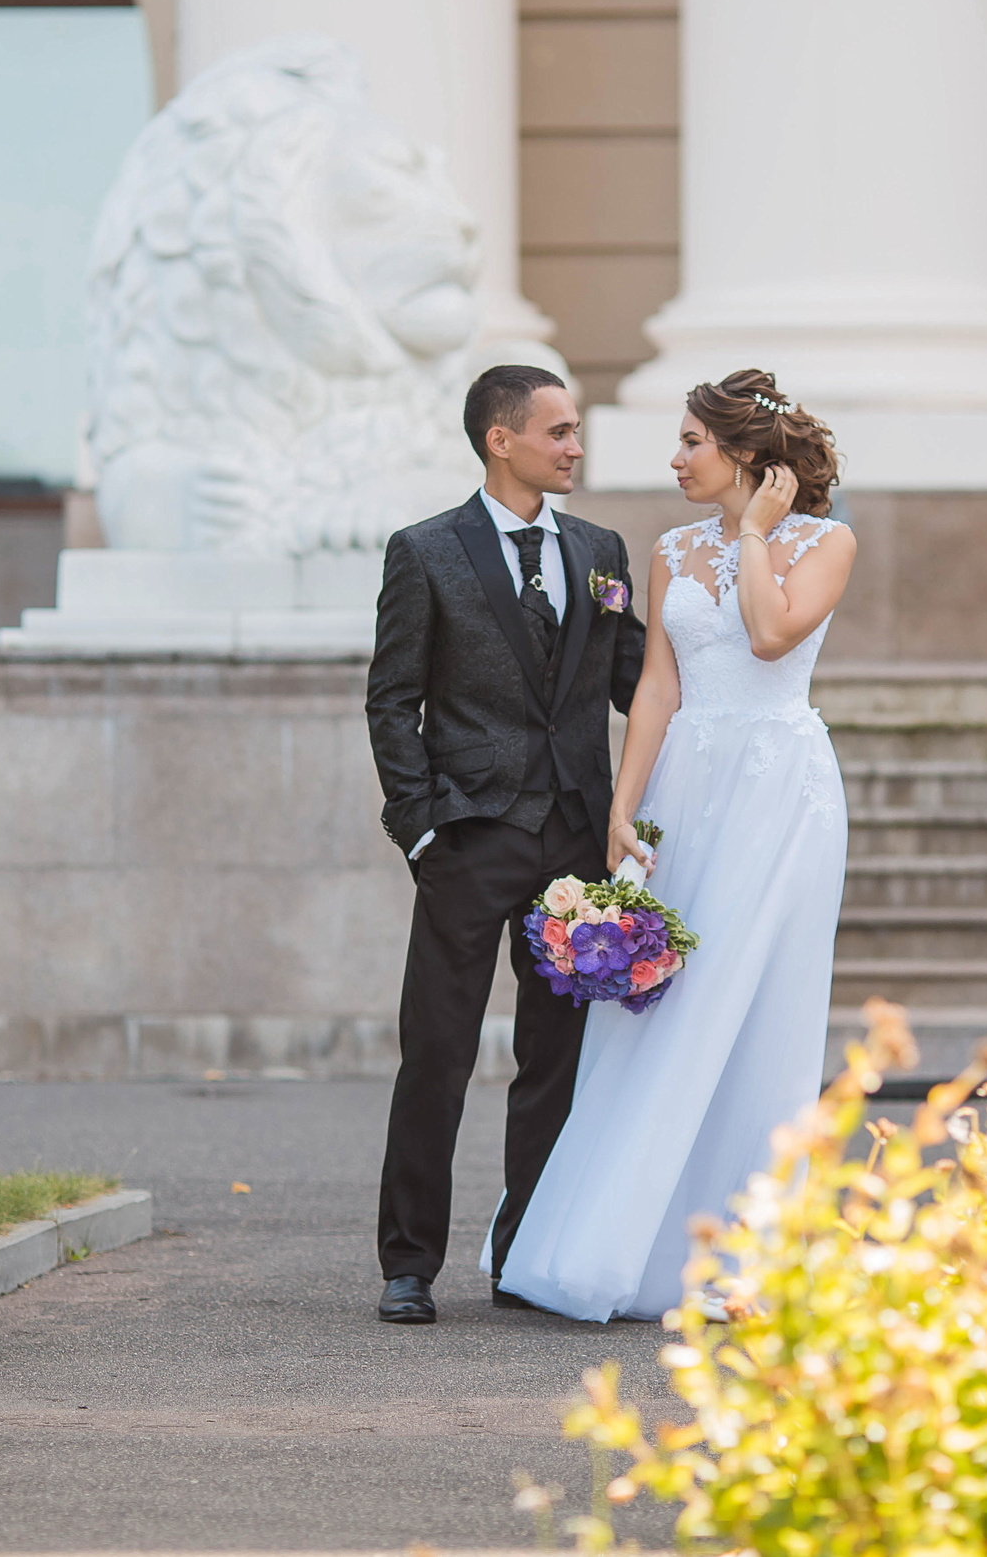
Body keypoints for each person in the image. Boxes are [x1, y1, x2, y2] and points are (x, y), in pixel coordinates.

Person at [494, 369, 856, 1323]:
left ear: (744, 453)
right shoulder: (667, 550)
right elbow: (657, 686)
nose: (676, 457)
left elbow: (773, 635)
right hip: (687, 787)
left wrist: (752, 536)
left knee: (764, 1012)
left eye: (693, 440)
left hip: (783, 789)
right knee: (659, 1006)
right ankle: (623, 1243)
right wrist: (626, 807)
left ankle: (750, 1257)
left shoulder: (828, 542)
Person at [364, 363, 646, 1326]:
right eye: (560, 431)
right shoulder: (426, 551)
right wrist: (424, 825)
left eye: (575, 432)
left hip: (574, 843)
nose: (575, 446)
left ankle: (524, 1251)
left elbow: (638, 684)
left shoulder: (602, 549)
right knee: (436, 1051)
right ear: (502, 439)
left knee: (554, 1057)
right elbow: (391, 698)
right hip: (470, 840)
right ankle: (408, 1262)